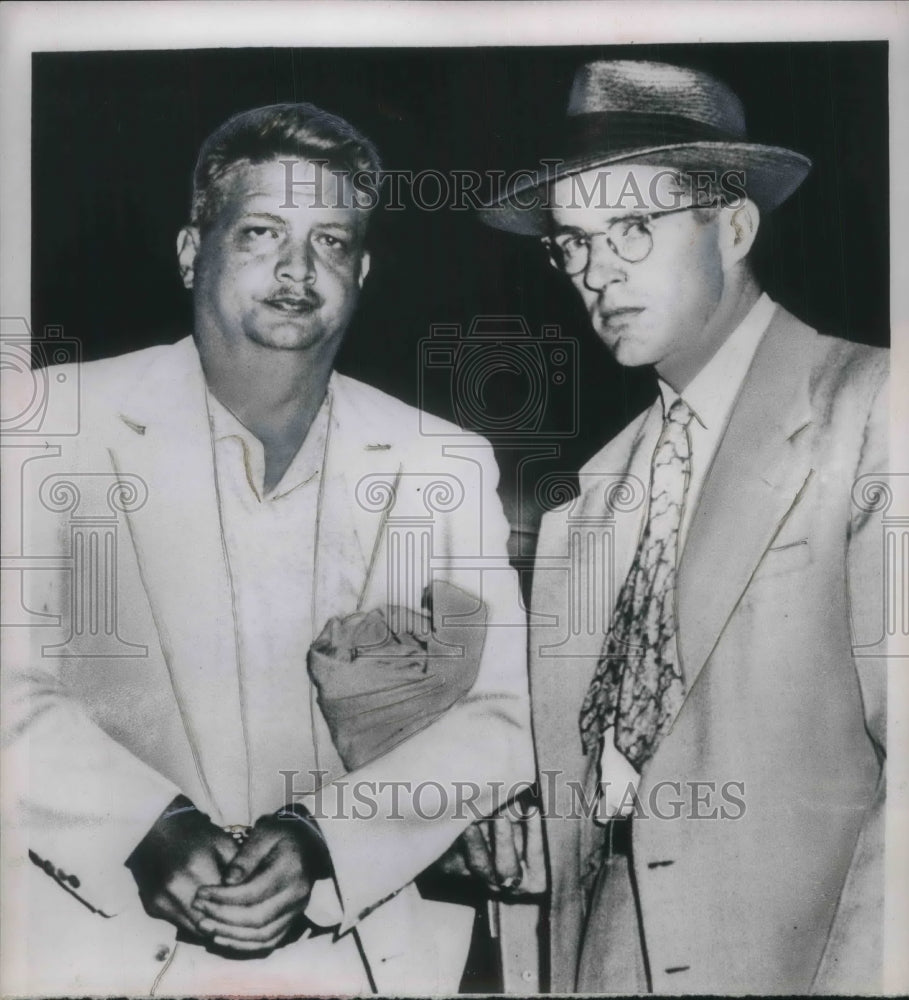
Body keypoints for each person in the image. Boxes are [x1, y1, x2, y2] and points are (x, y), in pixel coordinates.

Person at [3, 103, 532, 995]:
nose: (297, 268)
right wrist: (140, 824)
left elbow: (503, 714)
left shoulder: (440, 459)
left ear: (361, 271)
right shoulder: (46, 423)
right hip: (93, 951)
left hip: (364, 959)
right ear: (190, 251)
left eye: (330, 240)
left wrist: (329, 838)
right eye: (260, 232)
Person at [477, 60, 888, 993]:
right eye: (572, 243)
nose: (595, 273)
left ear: (732, 228)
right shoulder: (589, 497)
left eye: (631, 228)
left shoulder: (870, 408)